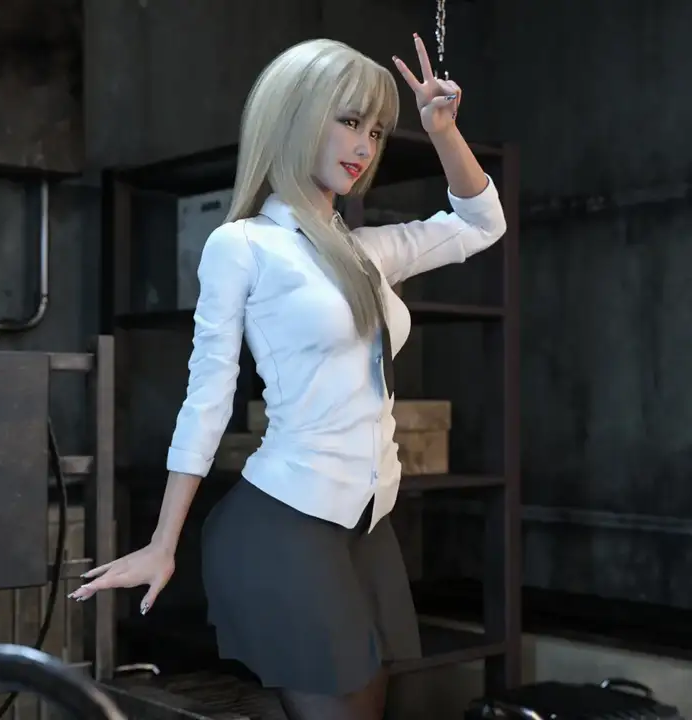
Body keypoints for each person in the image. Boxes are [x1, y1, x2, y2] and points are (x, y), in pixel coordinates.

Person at [70, 34, 506, 719]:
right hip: (286, 520)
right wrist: (162, 541)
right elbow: (207, 397)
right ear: (295, 118)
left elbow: (482, 223)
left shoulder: (367, 252)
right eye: (349, 121)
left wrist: (443, 131)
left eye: (376, 131)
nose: (364, 146)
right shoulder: (243, 245)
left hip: (369, 520)